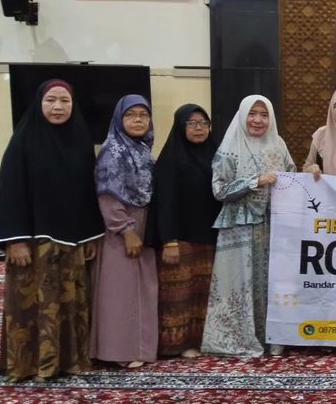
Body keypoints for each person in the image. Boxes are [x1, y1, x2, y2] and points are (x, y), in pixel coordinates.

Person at [0, 80, 104, 381]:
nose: (58, 107)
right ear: (39, 104)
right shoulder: (23, 142)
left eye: (65, 101)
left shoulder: (81, 142)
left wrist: (90, 236)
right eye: (51, 100)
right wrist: (15, 240)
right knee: (33, 303)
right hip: (33, 246)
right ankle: (30, 365)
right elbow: (11, 194)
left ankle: (67, 361)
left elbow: (87, 194)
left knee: (68, 302)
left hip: (71, 244)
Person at [203, 94, 296, 358]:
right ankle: (238, 337)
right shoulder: (229, 147)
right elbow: (219, 190)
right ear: (243, 116)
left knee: (270, 281)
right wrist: (255, 181)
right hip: (239, 226)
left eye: (264, 115)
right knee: (239, 283)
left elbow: (291, 177)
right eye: (252, 114)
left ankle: (271, 338)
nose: (258, 120)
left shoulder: (278, 145)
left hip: (272, 226)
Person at [90, 95, 159, 369]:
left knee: (140, 288)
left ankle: (138, 346)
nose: (138, 120)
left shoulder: (142, 149)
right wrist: (126, 229)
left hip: (143, 223)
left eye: (143, 115)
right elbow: (107, 195)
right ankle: (117, 350)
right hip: (121, 228)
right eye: (131, 115)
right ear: (119, 119)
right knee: (119, 290)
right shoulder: (113, 151)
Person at [151, 104, 222, 359]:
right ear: (180, 127)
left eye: (203, 123)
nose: (198, 128)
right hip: (180, 240)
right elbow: (164, 203)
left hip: (210, 238)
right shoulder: (170, 160)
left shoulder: (217, 156)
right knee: (178, 294)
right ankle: (175, 344)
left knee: (204, 294)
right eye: (191, 123)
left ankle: (201, 341)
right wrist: (168, 240)